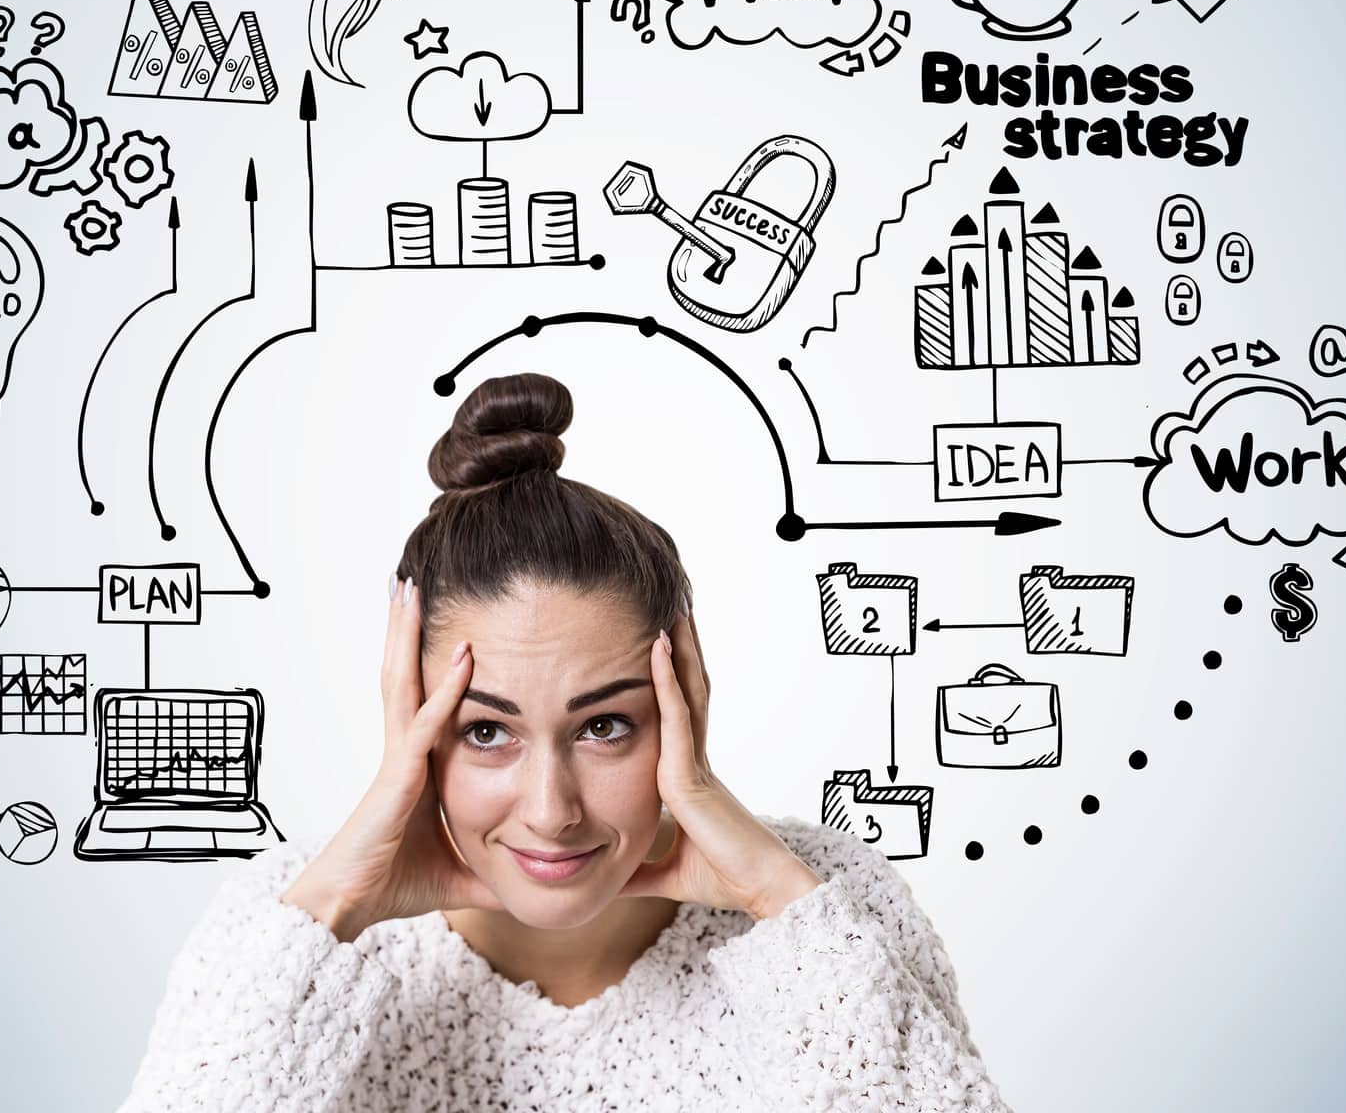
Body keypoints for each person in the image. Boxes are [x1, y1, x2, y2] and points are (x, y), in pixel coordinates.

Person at [119, 373, 1009, 1111]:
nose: (551, 811)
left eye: (605, 726)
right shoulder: (288, 928)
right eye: (486, 731)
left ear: (683, 705)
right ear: (412, 721)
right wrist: (328, 914)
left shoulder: (826, 906)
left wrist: (780, 899)